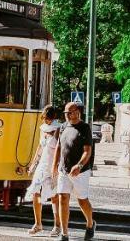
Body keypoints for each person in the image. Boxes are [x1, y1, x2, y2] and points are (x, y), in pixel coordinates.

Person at [51, 102, 96, 241]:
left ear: (78, 112)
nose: (67, 115)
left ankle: (90, 223)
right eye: (65, 113)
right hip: (64, 170)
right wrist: (54, 165)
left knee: (82, 201)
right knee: (62, 198)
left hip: (80, 172)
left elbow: (87, 151)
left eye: (70, 112)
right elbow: (59, 146)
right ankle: (64, 234)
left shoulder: (85, 128)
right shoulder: (63, 126)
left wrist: (79, 165)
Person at [25, 106, 63, 236]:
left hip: (53, 166)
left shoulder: (59, 128)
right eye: (44, 118)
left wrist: (57, 167)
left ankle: (57, 226)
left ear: (52, 117)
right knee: (35, 192)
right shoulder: (43, 129)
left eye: (47, 118)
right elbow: (40, 148)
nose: (45, 120)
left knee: (54, 196)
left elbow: (60, 149)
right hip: (42, 165)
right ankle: (38, 224)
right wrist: (33, 165)